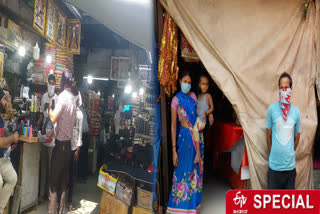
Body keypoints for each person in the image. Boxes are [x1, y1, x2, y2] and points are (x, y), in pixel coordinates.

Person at [166, 70, 203, 214]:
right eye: (184, 81)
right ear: (179, 81)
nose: (187, 84)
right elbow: (173, 125)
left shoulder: (193, 97)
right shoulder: (176, 100)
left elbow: (200, 114)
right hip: (183, 139)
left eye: (189, 82)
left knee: (194, 171)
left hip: (196, 138)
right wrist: (174, 150)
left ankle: (192, 208)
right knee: (182, 171)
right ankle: (177, 208)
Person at [266, 72, 301, 189]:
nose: (284, 90)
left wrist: (289, 151)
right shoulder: (271, 109)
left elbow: (297, 138)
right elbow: (268, 136)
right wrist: (274, 154)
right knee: (272, 206)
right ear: (278, 89)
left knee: (288, 206)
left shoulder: (296, 112)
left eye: (286, 87)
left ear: (291, 89)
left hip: (290, 169)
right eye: (281, 88)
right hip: (274, 169)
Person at [48, 72, 76, 214]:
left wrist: (49, 109)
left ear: (62, 82)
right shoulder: (73, 99)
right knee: (63, 184)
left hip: (60, 147)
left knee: (54, 184)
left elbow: (53, 118)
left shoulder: (63, 98)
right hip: (69, 147)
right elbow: (72, 122)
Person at [38, 74, 58, 202]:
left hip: (53, 140)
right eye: (49, 82)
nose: (51, 85)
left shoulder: (57, 99)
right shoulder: (44, 97)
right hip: (44, 138)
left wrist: (53, 131)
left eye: (53, 83)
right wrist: (37, 128)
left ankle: (50, 195)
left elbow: (58, 120)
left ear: (55, 84)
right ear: (47, 83)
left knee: (51, 169)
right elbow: (41, 116)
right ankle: (41, 194)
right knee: (43, 168)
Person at [0, 90, 19, 213]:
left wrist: (9, 143)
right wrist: (12, 138)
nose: (6, 103)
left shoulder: (0, 118)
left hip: (1, 157)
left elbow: (2, 141)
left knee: (12, 178)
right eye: (4, 100)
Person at [192, 74, 214, 164]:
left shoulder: (208, 96)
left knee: (195, 130)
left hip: (202, 120)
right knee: (194, 130)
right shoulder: (199, 96)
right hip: (198, 118)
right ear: (199, 85)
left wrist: (207, 113)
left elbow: (212, 107)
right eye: (203, 84)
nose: (205, 86)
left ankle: (197, 153)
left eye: (206, 84)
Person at [67, 88, 83, 211]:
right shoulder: (68, 110)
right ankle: (62, 198)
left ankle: (69, 201)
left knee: (71, 175)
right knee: (64, 173)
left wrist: (77, 149)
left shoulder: (79, 114)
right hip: (65, 144)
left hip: (73, 148)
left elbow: (80, 133)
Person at [77, 92, 89, 183]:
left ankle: (83, 175)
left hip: (85, 134)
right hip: (80, 135)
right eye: (85, 98)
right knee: (80, 155)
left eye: (87, 99)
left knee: (85, 155)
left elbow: (86, 121)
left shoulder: (85, 109)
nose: (86, 100)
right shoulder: (79, 108)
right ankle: (79, 175)